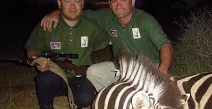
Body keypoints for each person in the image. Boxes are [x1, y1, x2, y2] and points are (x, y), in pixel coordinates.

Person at [40, 0, 173, 91]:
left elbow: (166, 45)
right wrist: (56, 12)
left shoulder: (145, 20)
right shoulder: (106, 17)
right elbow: (75, 13)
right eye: (114, 1)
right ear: (109, 4)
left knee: (144, 94)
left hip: (148, 66)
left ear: (132, 2)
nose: (118, 5)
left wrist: (161, 71)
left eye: (123, 0)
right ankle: (110, 98)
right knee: (93, 72)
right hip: (121, 66)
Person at [25, 0, 110, 109]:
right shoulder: (48, 23)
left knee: (86, 97)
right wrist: (37, 61)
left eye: (76, 1)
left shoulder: (92, 27)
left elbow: (106, 39)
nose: (72, 5)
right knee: (43, 79)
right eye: (67, 1)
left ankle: (76, 107)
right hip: (55, 75)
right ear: (59, 4)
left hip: (79, 77)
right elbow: (31, 49)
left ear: (82, 4)